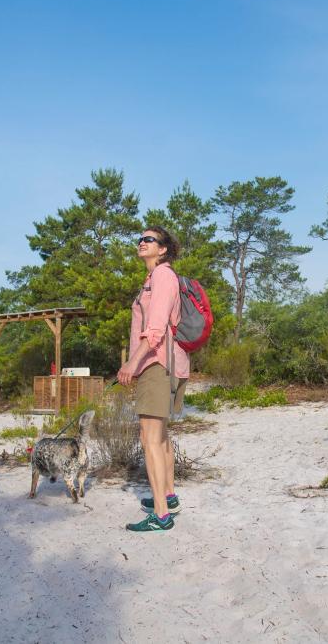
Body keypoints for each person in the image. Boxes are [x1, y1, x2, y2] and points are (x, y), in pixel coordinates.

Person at [117, 227, 189, 532]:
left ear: (163, 249)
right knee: (159, 437)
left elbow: (156, 329)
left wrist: (132, 364)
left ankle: (161, 516)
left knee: (150, 440)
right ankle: (168, 497)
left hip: (157, 364)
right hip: (166, 364)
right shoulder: (155, 278)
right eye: (140, 239)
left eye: (149, 239)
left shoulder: (162, 276)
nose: (141, 242)